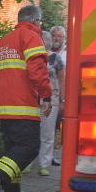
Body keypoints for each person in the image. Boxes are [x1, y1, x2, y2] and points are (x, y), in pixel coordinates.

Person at [0, 5, 52, 192]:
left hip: (4, 107)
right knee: (29, 147)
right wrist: (46, 96)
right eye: (40, 22)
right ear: (36, 21)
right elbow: (37, 71)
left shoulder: (2, 42)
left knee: (12, 149)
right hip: (24, 105)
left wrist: (0, 98)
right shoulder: (32, 37)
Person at [31, 30, 64, 176]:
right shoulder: (32, 58)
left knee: (47, 133)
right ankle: (27, 163)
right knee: (31, 132)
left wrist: (63, 100)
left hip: (51, 100)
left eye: (45, 40)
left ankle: (44, 163)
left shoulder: (56, 59)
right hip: (32, 100)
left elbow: (62, 80)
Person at [49, 25, 67, 164]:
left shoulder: (69, 52)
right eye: (54, 35)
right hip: (49, 94)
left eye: (59, 36)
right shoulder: (46, 53)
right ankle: (48, 156)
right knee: (51, 125)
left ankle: (55, 153)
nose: (56, 38)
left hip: (65, 92)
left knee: (60, 124)